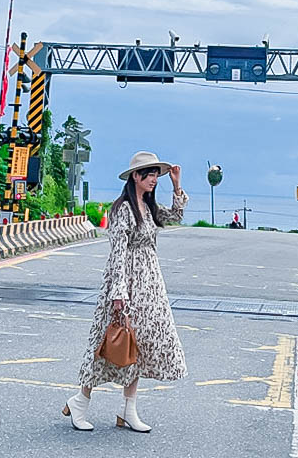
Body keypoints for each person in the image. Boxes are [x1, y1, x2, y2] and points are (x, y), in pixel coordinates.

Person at [63, 151, 188, 433]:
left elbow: (176, 215)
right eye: (150, 174)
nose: (155, 179)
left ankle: (128, 410)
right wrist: (119, 293)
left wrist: (177, 185)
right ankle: (80, 401)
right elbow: (117, 253)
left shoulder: (148, 206)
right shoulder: (123, 209)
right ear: (136, 176)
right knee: (105, 345)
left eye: (157, 174)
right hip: (126, 283)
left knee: (139, 345)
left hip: (150, 284)